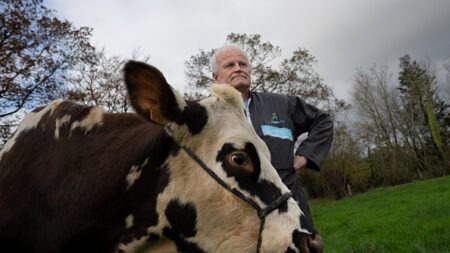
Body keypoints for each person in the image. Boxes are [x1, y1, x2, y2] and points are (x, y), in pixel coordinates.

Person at [211, 44, 333, 231]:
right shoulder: (206, 115)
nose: (238, 68)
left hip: (290, 206)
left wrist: (305, 155)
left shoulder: (281, 104)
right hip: (238, 217)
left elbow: (322, 121)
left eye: (243, 64)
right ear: (215, 76)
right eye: (230, 65)